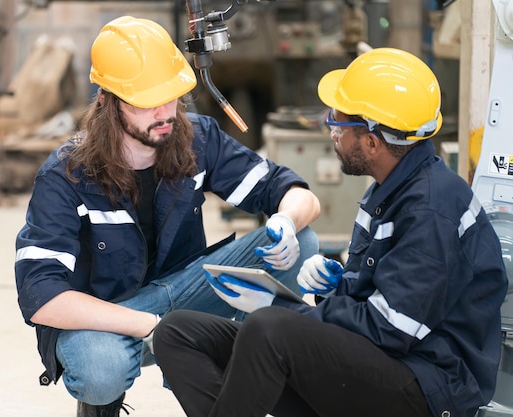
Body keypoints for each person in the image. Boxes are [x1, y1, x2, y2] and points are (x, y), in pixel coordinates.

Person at [153, 47, 509, 417]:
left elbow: (391, 329)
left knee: (268, 330)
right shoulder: (389, 190)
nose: (330, 127)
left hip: (428, 386)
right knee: (179, 334)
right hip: (382, 362)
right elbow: (377, 306)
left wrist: (281, 306)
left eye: (338, 120)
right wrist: (336, 288)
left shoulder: (432, 208)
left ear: (372, 141)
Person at [13, 15, 321, 417]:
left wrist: (285, 221)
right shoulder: (66, 174)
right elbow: (41, 296)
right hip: (109, 316)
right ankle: (103, 404)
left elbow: (295, 193)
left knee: (303, 242)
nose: (164, 112)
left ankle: (260, 368)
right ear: (107, 101)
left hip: (186, 290)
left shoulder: (196, 137)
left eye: (171, 95)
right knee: (99, 371)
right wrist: (148, 327)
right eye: (146, 101)